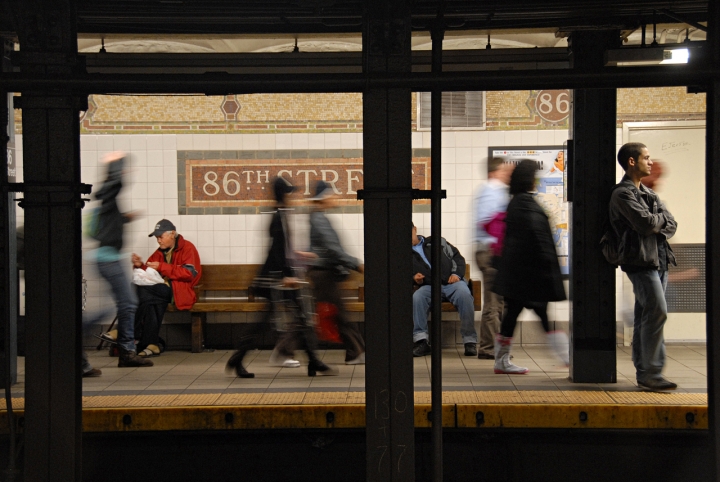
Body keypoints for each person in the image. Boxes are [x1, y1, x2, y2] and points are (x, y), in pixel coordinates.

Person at [225, 176, 338, 378]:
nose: (293, 196)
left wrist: (298, 257)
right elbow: (277, 251)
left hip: (276, 278)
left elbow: (282, 250)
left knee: (299, 317)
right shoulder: (279, 217)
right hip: (275, 280)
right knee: (271, 321)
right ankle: (238, 358)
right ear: (284, 195)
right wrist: (286, 276)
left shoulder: (280, 215)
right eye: (290, 192)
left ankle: (313, 361)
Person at [609, 143, 677, 391]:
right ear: (631, 161)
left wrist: (656, 221)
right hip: (640, 262)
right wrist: (657, 221)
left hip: (659, 259)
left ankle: (645, 371)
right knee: (657, 311)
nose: (650, 162)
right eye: (646, 158)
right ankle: (652, 371)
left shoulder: (648, 193)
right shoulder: (622, 194)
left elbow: (672, 224)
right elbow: (646, 224)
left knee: (645, 315)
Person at [492, 159, 568, 374]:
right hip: (529, 276)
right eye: (535, 177)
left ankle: (502, 361)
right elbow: (539, 239)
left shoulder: (516, 202)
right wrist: (548, 268)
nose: (537, 181)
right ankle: (565, 356)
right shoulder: (525, 204)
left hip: (519, 276)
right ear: (529, 180)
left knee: (514, 315)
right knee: (538, 315)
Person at [90, 152, 153, 368]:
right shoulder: (109, 195)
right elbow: (115, 184)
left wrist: (127, 218)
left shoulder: (108, 204)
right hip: (108, 258)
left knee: (124, 304)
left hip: (108, 258)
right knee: (127, 303)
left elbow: (109, 223)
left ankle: (125, 349)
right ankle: (126, 351)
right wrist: (117, 165)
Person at [307, 181, 366, 365]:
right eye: (332, 194)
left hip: (324, 273)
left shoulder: (318, 218)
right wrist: (356, 264)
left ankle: (356, 351)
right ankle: (355, 352)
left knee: (339, 313)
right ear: (323, 198)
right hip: (323, 274)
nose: (335, 198)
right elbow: (333, 249)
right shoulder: (319, 219)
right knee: (340, 314)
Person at [130, 219, 202, 357]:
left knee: (139, 290)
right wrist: (140, 266)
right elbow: (150, 272)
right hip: (161, 291)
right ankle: (151, 344)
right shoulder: (160, 251)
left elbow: (189, 273)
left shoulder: (188, 248)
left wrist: (163, 267)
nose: (159, 241)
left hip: (179, 291)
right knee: (150, 300)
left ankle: (130, 333)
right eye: (157, 238)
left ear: (172, 234)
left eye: (161, 237)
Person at [411, 222, 477, 357]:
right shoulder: (401, 254)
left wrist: (456, 274)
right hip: (428, 286)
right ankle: (421, 341)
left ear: (415, 229)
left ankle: (469, 341)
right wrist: (414, 279)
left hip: (452, 283)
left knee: (464, 295)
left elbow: (458, 258)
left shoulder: (437, 241)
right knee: (418, 297)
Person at [473, 157, 513, 359]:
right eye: (504, 171)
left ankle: (492, 346)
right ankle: (489, 348)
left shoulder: (492, 191)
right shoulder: (492, 191)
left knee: (498, 302)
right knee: (494, 302)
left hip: (488, 250)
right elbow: (490, 223)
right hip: (490, 252)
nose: (507, 174)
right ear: (494, 172)